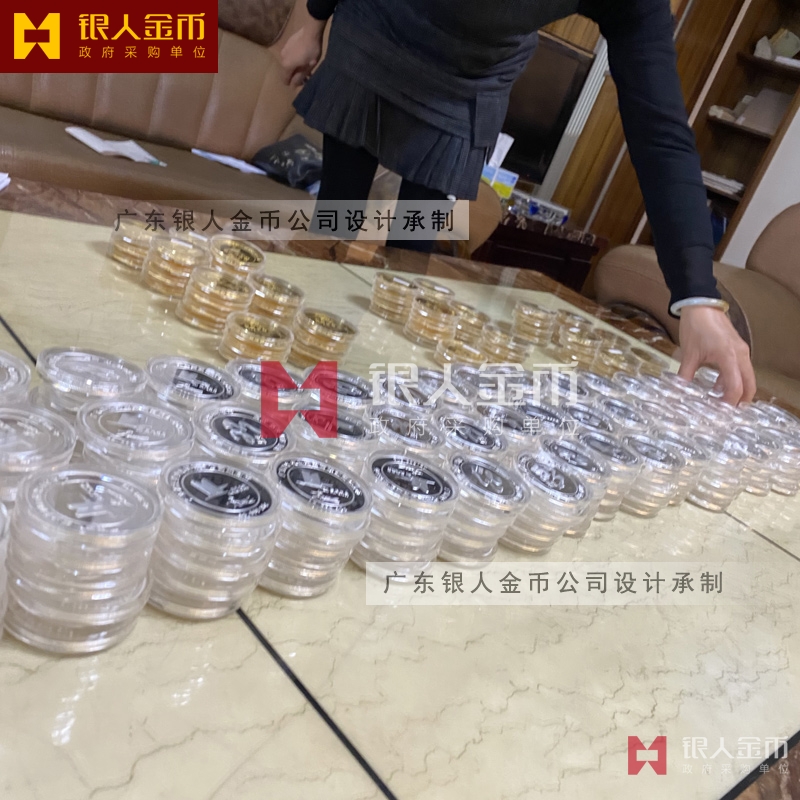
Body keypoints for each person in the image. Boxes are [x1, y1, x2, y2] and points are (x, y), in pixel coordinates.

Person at [281, 0, 757, 405]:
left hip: (471, 76)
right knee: (334, 225)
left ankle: (359, 399)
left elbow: (661, 132)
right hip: (383, 27)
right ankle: (283, 380)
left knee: (410, 261)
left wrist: (699, 298)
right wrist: (311, 22)